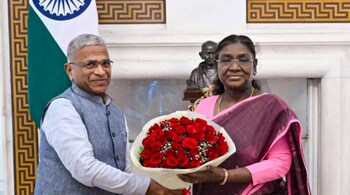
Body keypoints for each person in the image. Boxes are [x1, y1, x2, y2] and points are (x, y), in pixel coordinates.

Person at [34, 34, 182, 195]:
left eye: (105, 63)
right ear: (70, 70)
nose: (100, 71)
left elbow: (124, 171)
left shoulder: (115, 112)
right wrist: (147, 187)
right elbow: (84, 169)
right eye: (90, 64)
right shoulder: (62, 107)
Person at [179, 35, 311, 195]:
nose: (234, 67)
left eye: (243, 60)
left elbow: (280, 163)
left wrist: (225, 176)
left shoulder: (271, 107)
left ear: (254, 66)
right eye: (226, 60)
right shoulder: (203, 105)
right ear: (217, 66)